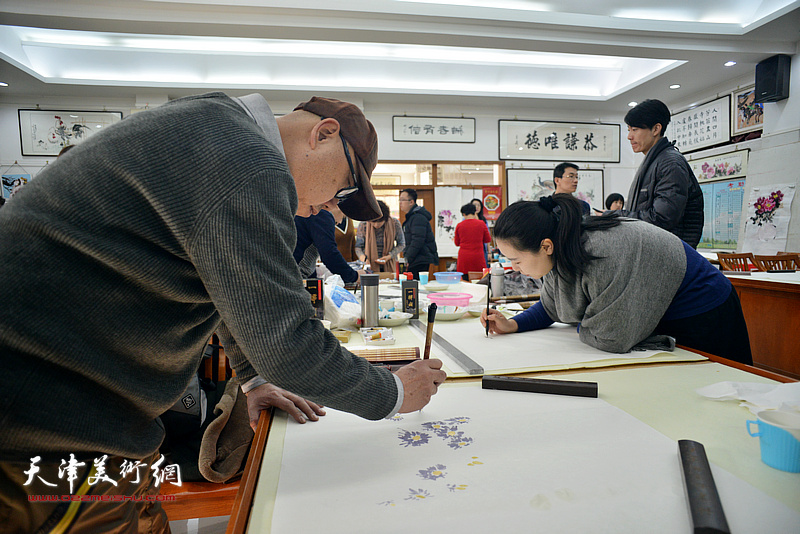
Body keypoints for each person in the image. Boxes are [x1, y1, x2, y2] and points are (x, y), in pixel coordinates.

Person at [0, 92, 446, 532]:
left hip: (82, 415)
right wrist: (392, 392)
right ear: (323, 134)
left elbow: (223, 289)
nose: (333, 205)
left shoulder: (218, 132)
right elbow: (288, 343)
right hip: (43, 424)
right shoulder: (248, 161)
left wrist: (253, 376)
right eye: (344, 189)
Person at [482, 194, 752, 365]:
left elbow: (611, 337)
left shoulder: (602, 253)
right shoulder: (563, 246)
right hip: (661, 309)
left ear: (546, 246)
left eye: (516, 260)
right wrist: (514, 324)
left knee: (716, 395)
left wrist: (587, 322)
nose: (514, 268)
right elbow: (553, 304)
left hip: (703, 311)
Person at [623, 99, 704, 248]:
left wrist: (619, 217)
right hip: (656, 252)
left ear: (656, 129)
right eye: (629, 129)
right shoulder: (654, 161)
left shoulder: (670, 163)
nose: (629, 136)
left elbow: (662, 219)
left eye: (635, 130)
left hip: (668, 255)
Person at [293, 209, 365, 284]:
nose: (340, 222)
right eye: (343, 216)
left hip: (294, 275)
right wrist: (354, 276)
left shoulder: (306, 213)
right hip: (295, 277)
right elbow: (329, 254)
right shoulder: (321, 215)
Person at [355, 200, 404, 274]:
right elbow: (358, 247)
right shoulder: (364, 224)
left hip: (389, 264)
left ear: (385, 219)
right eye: (373, 222)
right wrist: (364, 259)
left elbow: (401, 244)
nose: (376, 224)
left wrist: (389, 256)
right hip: (369, 265)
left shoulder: (394, 223)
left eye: (380, 221)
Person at [399, 188, 438, 280]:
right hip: (416, 258)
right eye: (399, 200)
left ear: (411, 202)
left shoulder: (417, 218)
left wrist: (408, 258)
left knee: (415, 286)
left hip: (419, 259)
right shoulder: (412, 217)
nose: (400, 202)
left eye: (402, 200)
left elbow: (417, 241)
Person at [454, 202, 491, 277]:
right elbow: (488, 239)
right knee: (480, 281)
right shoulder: (482, 224)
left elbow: (457, 243)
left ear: (463, 214)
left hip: (464, 258)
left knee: (464, 281)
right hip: (478, 257)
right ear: (474, 212)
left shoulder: (459, 225)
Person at [471, 197, 491, 264]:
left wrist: (489, 252)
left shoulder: (483, 220)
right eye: (474, 205)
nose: (476, 207)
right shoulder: (466, 219)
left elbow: (487, 237)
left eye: (478, 205)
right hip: (471, 249)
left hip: (482, 249)